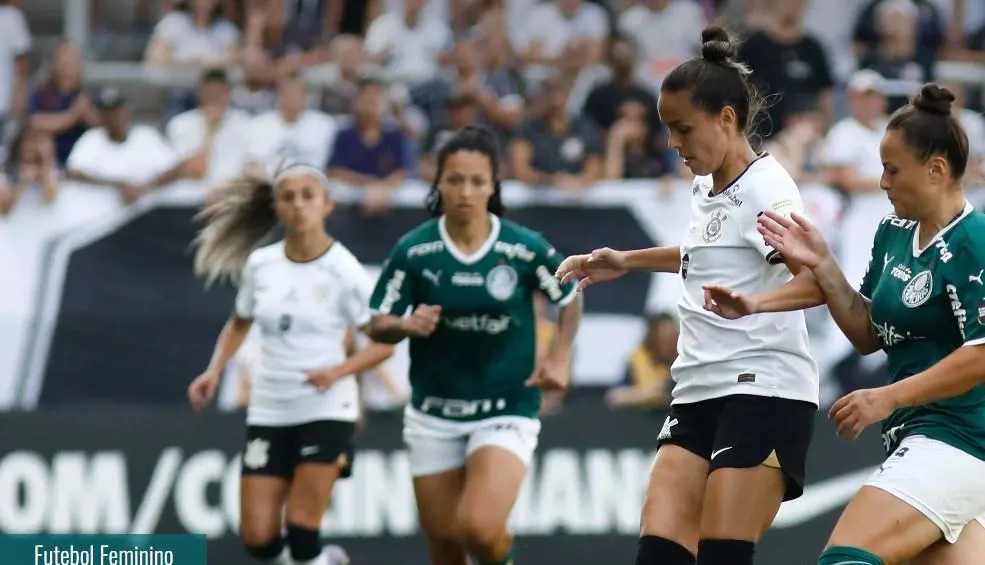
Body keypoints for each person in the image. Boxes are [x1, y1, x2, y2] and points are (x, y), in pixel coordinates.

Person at [554, 27, 819, 565]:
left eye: (682, 129)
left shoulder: (768, 189)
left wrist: (755, 305)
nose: (673, 144)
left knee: (720, 553)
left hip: (763, 386)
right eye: (667, 130)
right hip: (697, 386)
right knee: (660, 553)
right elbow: (709, 252)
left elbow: (817, 281)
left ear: (726, 118)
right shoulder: (706, 183)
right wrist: (627, 261)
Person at [705, 83, 985, 565]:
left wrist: (886, 397)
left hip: (959, 439)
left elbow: (981, 354)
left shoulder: (974, 243)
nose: (882, 182)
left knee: (845, 556)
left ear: (936, 170)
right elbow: (866, 334)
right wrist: (824, 266)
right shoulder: (893, 231)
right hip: (917, 438)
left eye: (892, 170)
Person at [365, 125, 584, 565]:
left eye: (477, 181)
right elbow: (377, 323)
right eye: (455, 179)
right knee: (445, 544)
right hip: (434, 412)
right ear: (438, 183)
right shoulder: (414, 251)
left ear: (492, 186)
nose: (465, 190)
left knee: (480, 531)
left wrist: (560, 358)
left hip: (506, 407)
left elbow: (570, 294)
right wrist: (407, 327)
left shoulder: (522, 248)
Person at [186, 164, 394, 565]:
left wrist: (336, 373)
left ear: (327, 204)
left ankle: (315, 557)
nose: (299, 205)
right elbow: (240, 322)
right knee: (259, 539)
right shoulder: (261, 265)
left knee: (301, 530)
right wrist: (213, 370)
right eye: (289, 197)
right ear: (277, 207)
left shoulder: (344, 271)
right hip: (269, 408)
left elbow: (383, 346)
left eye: (308, 196)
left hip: (326, 408)